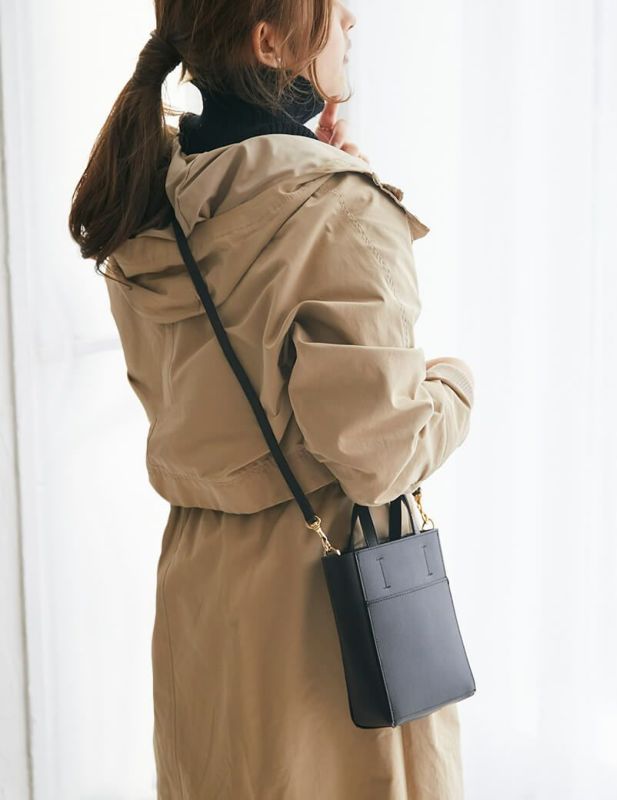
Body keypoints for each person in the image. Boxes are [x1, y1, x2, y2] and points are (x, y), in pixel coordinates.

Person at [68, 1, 475, 797]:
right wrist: (454, 383)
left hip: (201, 593)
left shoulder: (145, 202)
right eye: (329, 8)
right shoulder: (335, 210)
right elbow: (380, 454)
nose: (351, 18)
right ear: (268, 42)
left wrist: (313, 174)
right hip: (321, 617)